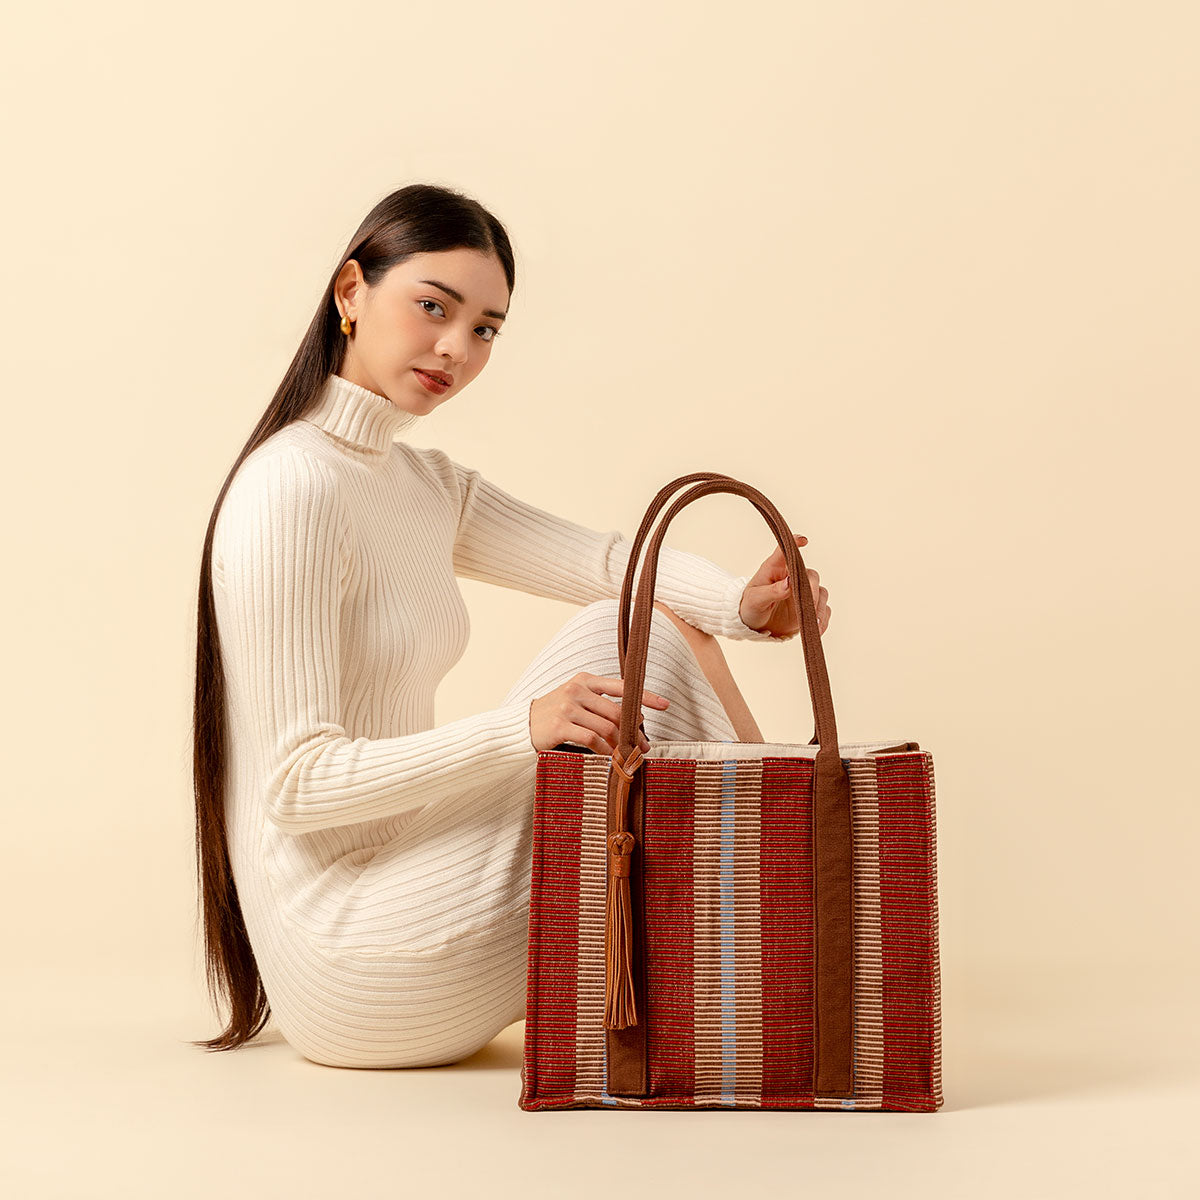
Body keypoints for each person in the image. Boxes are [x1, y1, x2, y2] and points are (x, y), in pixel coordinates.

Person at [190, 183, 831, 1068]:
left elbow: (607, 560)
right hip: (350, 956)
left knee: (638, 626)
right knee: (631, 648)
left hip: (414, 870)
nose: (456, 347)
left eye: (486, 328)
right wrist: (521, 730)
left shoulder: (421, 486)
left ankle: (794, 909)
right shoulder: (290, 487)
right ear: (349, 294)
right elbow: (296, 786)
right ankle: (813, 914)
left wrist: (743, 605)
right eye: (432, 307)